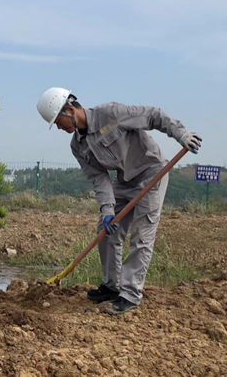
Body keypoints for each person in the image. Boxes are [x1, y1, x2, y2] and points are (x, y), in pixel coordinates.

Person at [36, 88, 201, 315]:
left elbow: (153, 115)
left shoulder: (111, 113)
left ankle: (130, 295)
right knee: (105, 231)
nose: (58, 127)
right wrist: (107, 210)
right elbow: (99, 178)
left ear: (70, 110)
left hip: (152, 173)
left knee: (141, 235)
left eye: (57, 121)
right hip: (124, 181)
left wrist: (181, 135)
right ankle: (111, 286)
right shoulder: (78, 146)